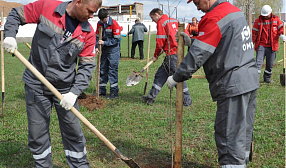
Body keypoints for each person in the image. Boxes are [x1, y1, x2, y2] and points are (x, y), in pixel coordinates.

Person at [3, 0, 102, 167]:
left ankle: (80, 165)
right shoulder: (47, 8)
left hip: (65, 89)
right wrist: (10, 36)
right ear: (78, 2)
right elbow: (15, 14)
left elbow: (87, 67)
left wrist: (74, 92)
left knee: (74, 132)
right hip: (36, 84)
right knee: (37, 133)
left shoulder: (88, 33)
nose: (92, 16)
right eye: (90, 11)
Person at [167, 0, 259, 167]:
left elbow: (198, 56)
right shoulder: (234, 11)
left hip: (233, 84)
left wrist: (176, 77)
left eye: (197, 1)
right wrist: (193, 42)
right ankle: (241, 162)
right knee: (243, 131)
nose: (196, 5)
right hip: (249, 80)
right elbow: (223, 44)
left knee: (229, 135)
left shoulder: (214, 17)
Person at [142, 8, 192, 106]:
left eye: (152, 18)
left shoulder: (161, 22)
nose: (153, 20)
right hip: (176, 53)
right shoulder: (174, 20)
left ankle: (187, 101)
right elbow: (186, 34)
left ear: (156, 14)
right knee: (160, 75)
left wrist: (155, 55)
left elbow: (160, 42)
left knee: (178, 78)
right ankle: (151, 97)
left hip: (172, 55)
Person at [252, 5, 286, 83]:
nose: (265, 17)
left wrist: (282, 35)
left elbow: (282, 28)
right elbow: (254, 33)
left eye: (266, 15)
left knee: (270, 64)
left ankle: (267, 78)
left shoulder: (276, 19)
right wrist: (251, 43)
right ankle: (255, 80)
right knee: (258, 63)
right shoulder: (258, 21)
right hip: (261, 45)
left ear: (270, 13)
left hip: (272, 46)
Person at [95, 8, 121, 99]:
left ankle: (114, 92)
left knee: (112, 71)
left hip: (113, 51)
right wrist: (97, 47)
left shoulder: (114, 24)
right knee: (102, 69)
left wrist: (105, 43)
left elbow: (117, 40)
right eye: (100, 20)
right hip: (104, 51)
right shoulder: (99, 24)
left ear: (107, 16)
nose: (102, 21)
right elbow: (97, 37)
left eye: (103, 19)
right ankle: (101, 91)